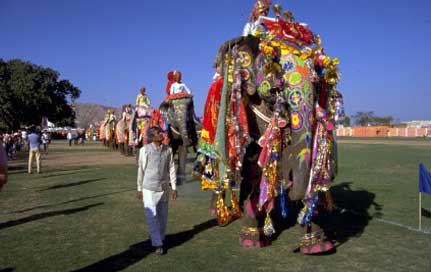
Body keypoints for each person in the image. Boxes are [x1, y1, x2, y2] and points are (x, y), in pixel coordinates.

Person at [136, 126, 177, 255]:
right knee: (151, 216)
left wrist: (174, 187)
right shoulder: (145, 150)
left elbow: (171, 168)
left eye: (161, 132)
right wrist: (139, 188)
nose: (162, 134)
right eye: (159, 133)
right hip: (149, 188)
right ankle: (157, 244)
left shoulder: (168, 150)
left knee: (162, 217)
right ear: (152, 137)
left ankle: (160, 238)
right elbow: (141, 170)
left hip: (164, 188)